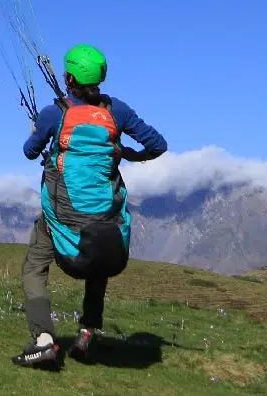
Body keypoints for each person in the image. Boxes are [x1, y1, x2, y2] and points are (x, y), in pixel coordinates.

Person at [11, 43, 166, 369]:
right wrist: (126, 154)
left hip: (64, 229)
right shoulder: (117, 111)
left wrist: (38, 132)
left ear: (68, 78)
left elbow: (29, 151)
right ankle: (87, 332)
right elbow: (157, 144)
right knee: (99, 252)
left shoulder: (56, 113)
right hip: (105, 234)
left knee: (34, 266)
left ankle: (44, 342)